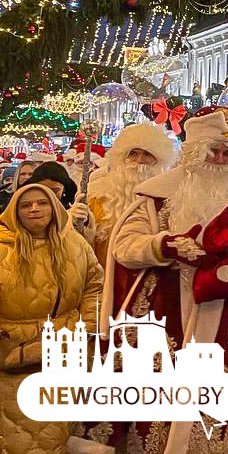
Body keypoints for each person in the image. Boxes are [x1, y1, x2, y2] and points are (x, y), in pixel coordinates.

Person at [96, 106, 228, 451]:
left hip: (226, 311)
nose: (221, 159)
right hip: (164, 311)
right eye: (214, 151)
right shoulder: (155, 195)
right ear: (195, 152)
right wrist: (165, 245)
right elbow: (124, 246)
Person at [0, 184, 104, 454]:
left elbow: (94, 287)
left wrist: (87, 331)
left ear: (54, 207)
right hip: (11, 355)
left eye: (41, 203)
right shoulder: (2, 248)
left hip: (63, 348)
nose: (34, 209)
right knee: (16, 437)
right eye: (26, 205)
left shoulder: (75, 244)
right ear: (15, 211)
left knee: (53, 433)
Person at [85, 122, 175, 267]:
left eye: (147, 154)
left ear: (159, 160)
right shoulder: (97, 195)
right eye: (133, 153)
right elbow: (81, 244)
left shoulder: (170, 198)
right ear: (121, 157)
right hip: (105, 278)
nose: (139, 160)